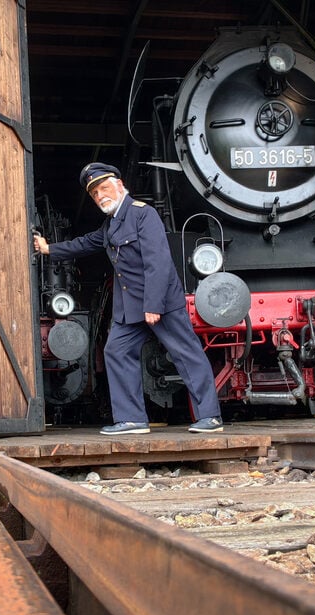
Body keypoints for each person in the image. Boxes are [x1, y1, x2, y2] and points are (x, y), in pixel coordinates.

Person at [34, 162, 223, 435]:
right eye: (95, 193)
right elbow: (85, 243)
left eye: (103, 188)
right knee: (116, 351)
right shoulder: (110, 224)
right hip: (129, 307)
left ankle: (210, 417)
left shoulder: (143, 215)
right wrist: (49, 248)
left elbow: (158, 262)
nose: (100, 196)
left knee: (186, 353)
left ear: (120, 186)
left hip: (160, 303)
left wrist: (154, 304)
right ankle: (132, 419)